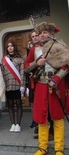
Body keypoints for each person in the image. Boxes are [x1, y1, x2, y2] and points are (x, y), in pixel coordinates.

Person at [24, 22, 68, 155]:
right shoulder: (34, 49)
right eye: (40, 33)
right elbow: (26, 67)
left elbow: (66, 65)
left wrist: (56, 79)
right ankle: (42, 147)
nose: (41, 35)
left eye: (44, 32)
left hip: (56, 86)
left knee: (58, 117)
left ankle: (59, 148)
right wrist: (36, 63)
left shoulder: (60, 47)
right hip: (41, 86)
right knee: (41, 117)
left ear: (51, 34)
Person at [1, 40, 25, 132]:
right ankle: (13, 124)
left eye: (11, 46)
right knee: (10, 105)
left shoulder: (20, 59)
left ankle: (18, 124)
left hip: (18, 85)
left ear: (14, 47)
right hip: (8, 85)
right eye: (8, 46)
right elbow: (2, 72)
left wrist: (22, 85)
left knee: (18, 104)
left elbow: (22, 73)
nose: (10, 47)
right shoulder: (4, 59)